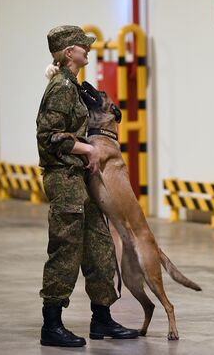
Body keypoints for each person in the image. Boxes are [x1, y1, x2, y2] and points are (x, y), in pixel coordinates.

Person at [36, 25, 138, 347]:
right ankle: (51, 325)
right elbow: (47, 136)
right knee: (65, 250)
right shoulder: (61, 88)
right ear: (69, 53)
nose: (88, 50)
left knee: (99, 246)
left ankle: (102, 318)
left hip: (81, 178)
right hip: (64, 178)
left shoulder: (70, 84)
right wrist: (87, 149)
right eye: (83, 46)